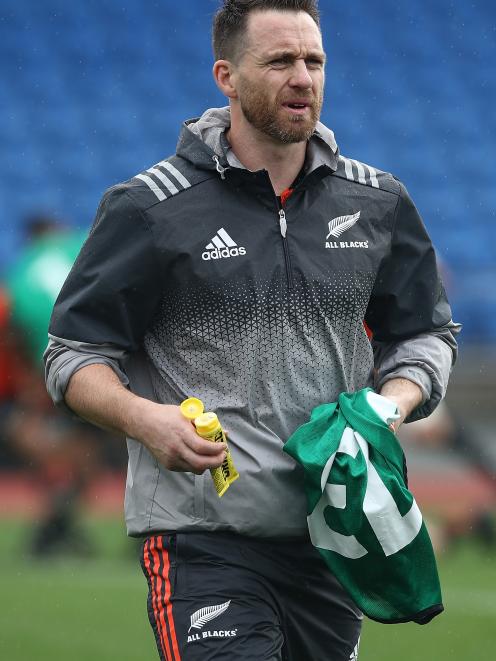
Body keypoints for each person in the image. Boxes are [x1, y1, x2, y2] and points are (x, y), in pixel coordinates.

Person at [44, 0, 460, 658]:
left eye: (314, 61)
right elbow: (73, 356)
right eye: (280, 61)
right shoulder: (149, 207)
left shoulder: (378, 202)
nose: (303, 77)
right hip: (204, 541)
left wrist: (389, 403)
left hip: (335, 541)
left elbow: (426, 336)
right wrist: (145, 419)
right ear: (227, 76)